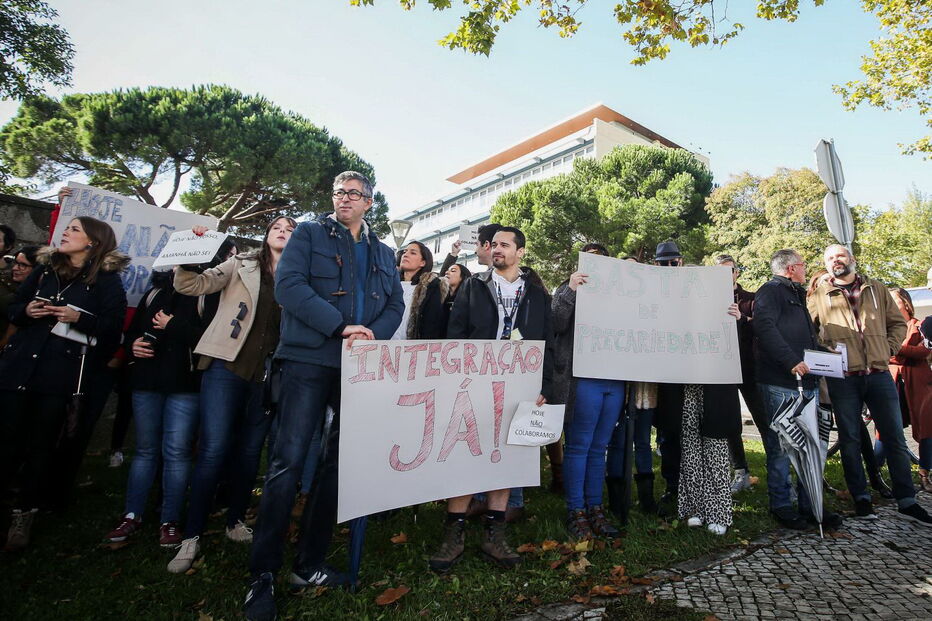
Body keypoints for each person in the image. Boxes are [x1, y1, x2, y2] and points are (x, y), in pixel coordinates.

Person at [243, 172, 402, 621]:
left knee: (339, 464)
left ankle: (308, 564)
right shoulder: (309, 233)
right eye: (338, 193)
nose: (344, 199)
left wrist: (372, 335)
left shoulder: (384, 253)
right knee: (287, 462)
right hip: (307, 360)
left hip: (358, 366)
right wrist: (340, 326)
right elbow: (290, 287)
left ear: (370, 202)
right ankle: (263, 573)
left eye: (354, 194)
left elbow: (395, 305)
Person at [168, 216, 296, 573]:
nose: (282, 231)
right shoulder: (241, 263)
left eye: (290, 228)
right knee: (213, 449)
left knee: (250, 450)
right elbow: (194, 284)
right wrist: (190, 256)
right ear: (266, 235)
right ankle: (191, 534)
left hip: (268, 375)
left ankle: (235, 520)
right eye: (277, 227)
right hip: (226, 366)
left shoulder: (301, 275)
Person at [428, 226, 552, 573]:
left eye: (504, 245)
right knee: (466, 453)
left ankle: (494, 534)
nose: (496, 249)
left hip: (521, 387)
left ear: (520, 252)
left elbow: (547, 342)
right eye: (493, 244)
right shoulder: (474, 286)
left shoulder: (537, 294)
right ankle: (454, 534)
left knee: (507, 456)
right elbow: (456, 334)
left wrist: (545, 387)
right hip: (475, 384)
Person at [0, 217, 128, 551]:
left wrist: (80, 319)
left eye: (74, 229)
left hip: (60, 376)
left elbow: (113, 330)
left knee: (41, 445)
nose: (65, 233)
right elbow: (13, 310)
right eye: (66, 228)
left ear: (92, 242)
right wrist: (27, 309)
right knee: (6, 440)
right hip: (18, 370)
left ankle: (24, 512)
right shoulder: (44, 270)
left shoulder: (107, 281)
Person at [808, 244, 932, 525]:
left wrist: (888, 348)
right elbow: (810, 330)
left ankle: (907, 499)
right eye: (829, 258)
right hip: (844, 379)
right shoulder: (820, 294)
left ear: (851, 259)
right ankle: (861, 498)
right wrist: (825, 350)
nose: (835, 261)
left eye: (839, 256)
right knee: (851, 440)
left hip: (878, 374)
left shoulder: (876, 289)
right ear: (826, 265)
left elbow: (897, 324)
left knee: (894, 437)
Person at [103, 269, 209, 547]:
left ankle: (169, 519)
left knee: (176, 451)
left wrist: (173, 326)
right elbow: (133, 331)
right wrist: (133, 344)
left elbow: (209, 338)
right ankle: (132, 514)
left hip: (185, 385)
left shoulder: (206, 292)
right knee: (145, 450)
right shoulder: (154, 293)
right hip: (147, 381)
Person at [753, 249, 843, 530]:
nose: (806, 269)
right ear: (791, 268)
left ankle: (811, 505)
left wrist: (820, 352)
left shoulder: (796, 294)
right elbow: (764, 328)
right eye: (803, 265)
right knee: (781, 446)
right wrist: (791, 360)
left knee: (809, 446)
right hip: (781, 383)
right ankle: (782, 505)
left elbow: (803, 335)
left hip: (808, 383)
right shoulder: (770, 291)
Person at [551, 243, 623, 539]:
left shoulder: (620, 296)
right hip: (583, 380)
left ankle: (595, 508)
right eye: (588, 260)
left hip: (614, 380)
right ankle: (576, 511)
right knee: (579, 447)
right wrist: (570, 290)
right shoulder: (567, 288)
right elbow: (555, 322)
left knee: (599, 447)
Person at [712, 254, 768, 494]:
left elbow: (765, 326)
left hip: (750, 368)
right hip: (722, 371)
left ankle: (778, 471)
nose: (726, 276)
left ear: (737, 273)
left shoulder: (752, 299)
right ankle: (741, 472)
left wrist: (742, 318)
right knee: (730, 423)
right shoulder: (709, 300)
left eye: (730, 270)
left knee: (764, 420)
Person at [882, 288, 932, 493]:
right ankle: (877, 472)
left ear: (905, 303)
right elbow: (882, 353)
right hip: (893, 380)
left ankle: (924, 473)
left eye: (895, 301)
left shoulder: (920, 325)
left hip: (919, 382)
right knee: (885, 429)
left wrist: (895, 348)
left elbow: (924, 351)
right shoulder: (884, 328)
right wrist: (901, 351)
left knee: (927, 428)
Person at [394, 240, 448, 339]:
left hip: (411, 349)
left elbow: (431, 324)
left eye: (413, 253)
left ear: (423, 262)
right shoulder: (390, 284)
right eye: (405, 251)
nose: (405, 255)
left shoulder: (430, 287)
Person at [0, 245, 39, 348]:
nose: (15, 268)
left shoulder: (36, 296)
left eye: (23, 265)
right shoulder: (3, 281)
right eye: (16, 263)